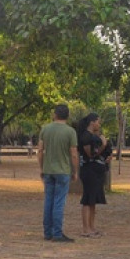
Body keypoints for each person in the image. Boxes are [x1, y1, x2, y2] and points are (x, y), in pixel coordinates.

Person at [39, 104, 79, 243]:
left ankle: (47, 232)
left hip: (48, 169)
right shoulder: (70, 132)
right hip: (63, 171)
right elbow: (73, 154)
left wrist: (41, 168)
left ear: (55, 114)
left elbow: (40, 151)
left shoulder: (45, 129)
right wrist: (75, 170)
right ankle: (57, 233)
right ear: (67, 116)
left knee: (48, 200)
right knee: (59, 202)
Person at [77, 113, 109, 238]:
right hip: (89, 170)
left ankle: (92, 227)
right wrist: (103, 145)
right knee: (87, 199)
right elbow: (91, 154)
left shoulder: (93, 136)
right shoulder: (85, 136)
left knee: (93, 200)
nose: (99, 124)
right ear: (92, 122)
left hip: (96, 171)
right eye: (98, 122)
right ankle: (85, 229)